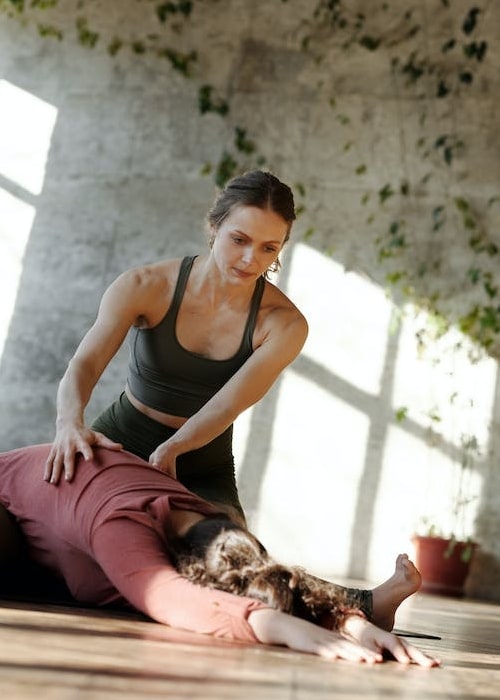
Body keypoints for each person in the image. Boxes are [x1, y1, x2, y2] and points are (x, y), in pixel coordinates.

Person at [0, 444, 439, 666]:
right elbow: (169, 596)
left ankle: (370, 607)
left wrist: (347, 621)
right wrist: (277, 627)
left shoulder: (203, 514)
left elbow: (261, 579)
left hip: (55, 531)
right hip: (18, 503)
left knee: (87, 582)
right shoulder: (120, 523)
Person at [44, 169, 309, 524]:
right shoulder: (145, 285)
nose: (251, 259)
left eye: (268, 248)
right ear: (215, 226)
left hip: (203, 462)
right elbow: (85, 364)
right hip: (120, 440)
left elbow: (226, 406)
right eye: (239, 239)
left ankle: (363, 586)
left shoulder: (284, 324)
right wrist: (69, 423)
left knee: (234, 560)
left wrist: (174, 448)